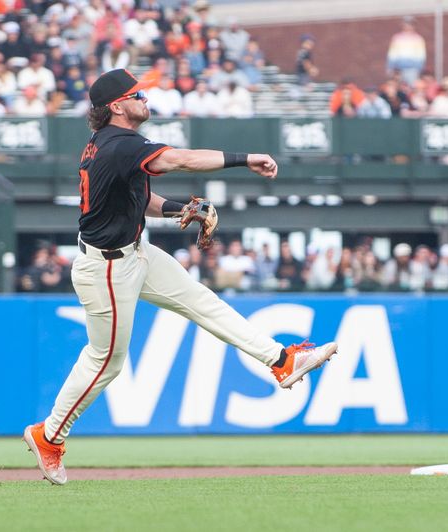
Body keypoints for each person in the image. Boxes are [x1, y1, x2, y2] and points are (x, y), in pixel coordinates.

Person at [22, 69, 337, 485]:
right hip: (108, 268)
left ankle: (282, 360)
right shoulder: (120, 144)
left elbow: (139, 198)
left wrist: (180, 210)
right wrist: (245, 159)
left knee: (202, 300)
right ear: (117, 106)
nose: (146, 99)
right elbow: (182, 159)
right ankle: (49, 435)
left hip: (135, 253)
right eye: (138, 94)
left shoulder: (114, 146)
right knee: (106, 362)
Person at [386, 16, 426, 85]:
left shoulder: (418, 39)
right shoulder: (396, 38)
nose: (408, 26)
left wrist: (419, 69)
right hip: (398, 69)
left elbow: (421, 56)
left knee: (412, 86)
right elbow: (392, 54)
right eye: (406, 24)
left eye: (411, 24)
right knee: (397, 87)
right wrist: (390, 67)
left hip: (412, 69)